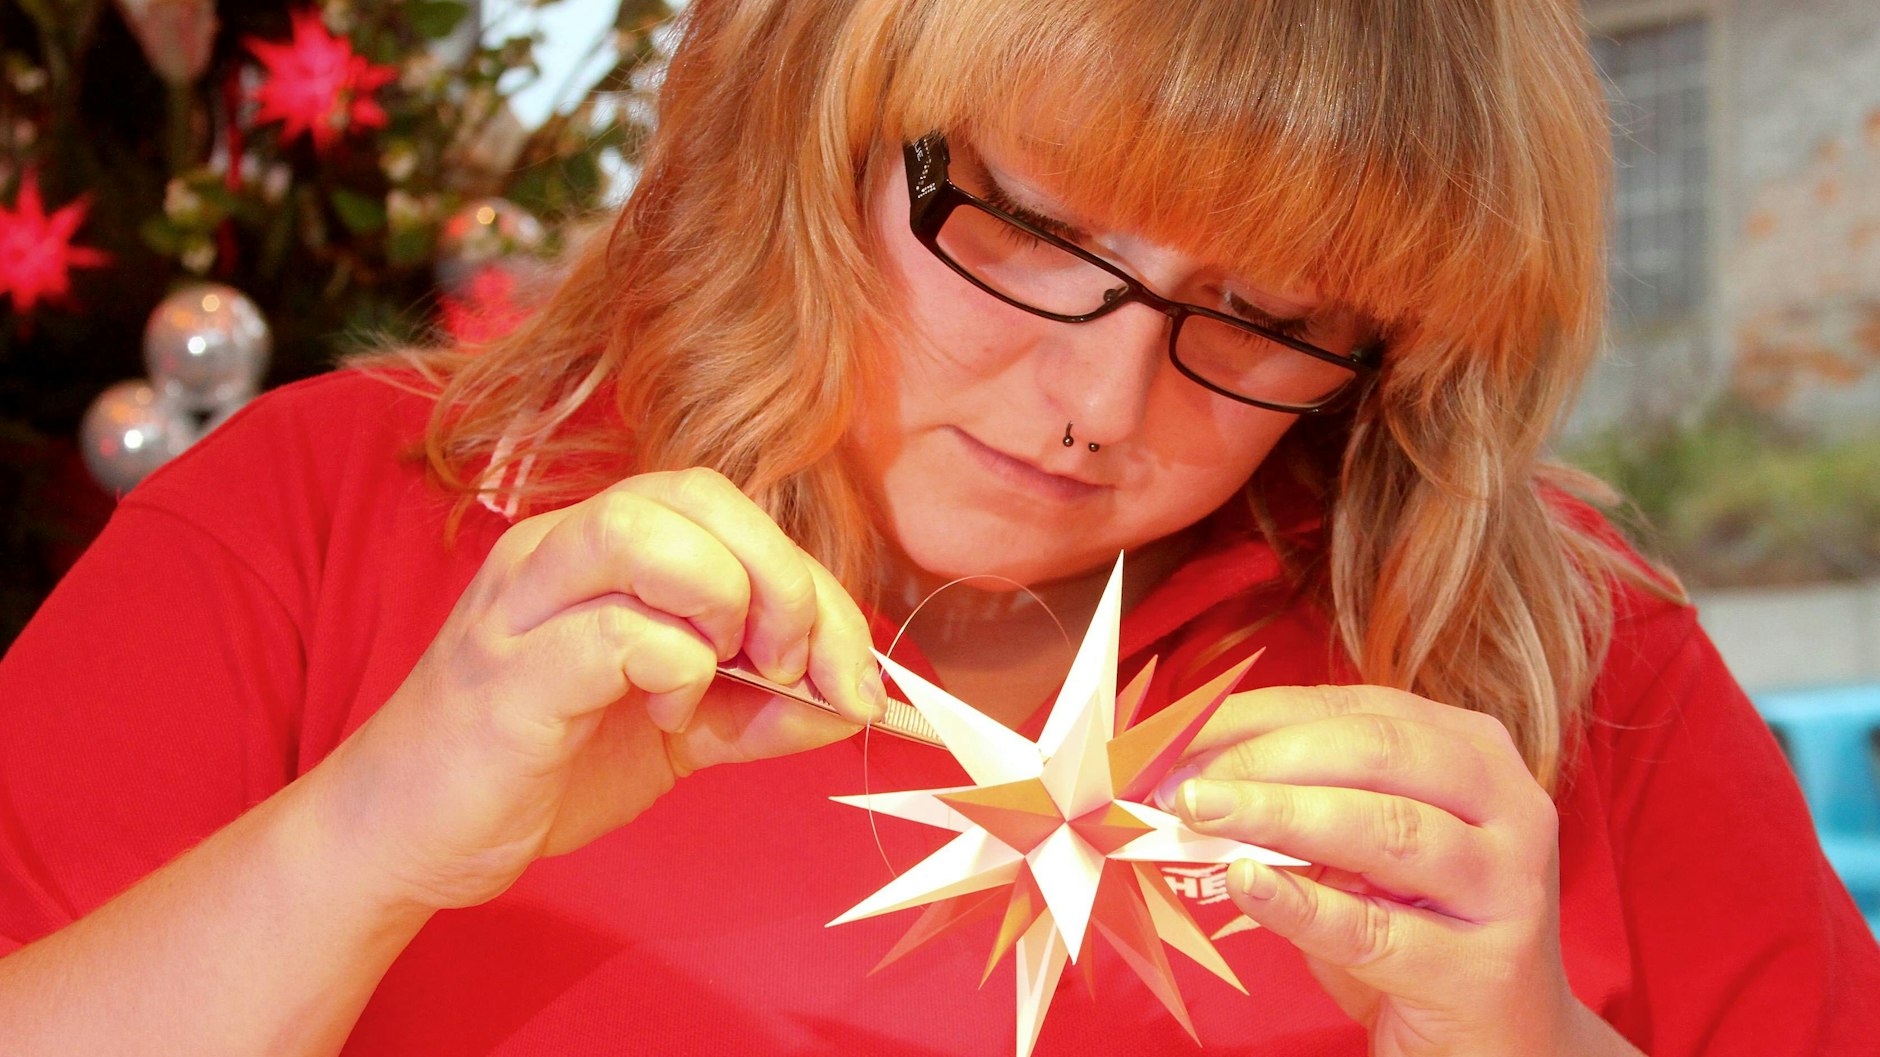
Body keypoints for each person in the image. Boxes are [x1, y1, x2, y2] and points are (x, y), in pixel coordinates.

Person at [1, 0, 1875, 1053]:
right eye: (1033, 228)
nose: (1103, 403)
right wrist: (361, 842)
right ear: (809, 122)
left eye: (1273, 315)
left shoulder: (1571, 662)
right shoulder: (333, 515)